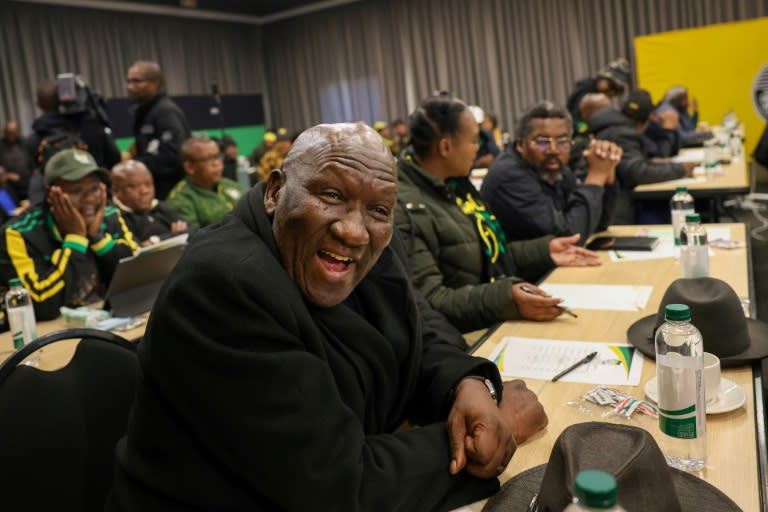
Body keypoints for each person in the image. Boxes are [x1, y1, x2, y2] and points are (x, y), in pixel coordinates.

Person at [107, 122, 548, 511]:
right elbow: (334, 486)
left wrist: (466, 385)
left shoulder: (362, 241)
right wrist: (495, 430)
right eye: (331, 195)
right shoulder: (222, 286)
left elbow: (418, 323)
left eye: (379, 209)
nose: (354, 230)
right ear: (276, 191)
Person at [395, 96, 600, 334]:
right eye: (474, 141)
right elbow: (430, 302)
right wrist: (506, 298)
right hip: (464, 334)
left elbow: (486, 253)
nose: (479, 148)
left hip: (488, 313)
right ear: (445, 147)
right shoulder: (408, 206)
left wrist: (545, 250)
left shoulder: (454, 186)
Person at [0, 149, 138, 320]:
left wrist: (98, 238)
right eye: (76, 190)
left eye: (94, 188)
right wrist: (75, 239)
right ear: (51, 195)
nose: (89, 199)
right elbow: (41, 304)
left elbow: (142, 275)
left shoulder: (109, 215)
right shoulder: (19, 233)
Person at [481, 101, 621, 245]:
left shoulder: (556, 169)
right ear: (521, 145)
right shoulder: (509, 176)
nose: (553, 150)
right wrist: (596, 177)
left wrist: (607, 171)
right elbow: (568, 239)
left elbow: (596, 224)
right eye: (542, 142)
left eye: (562, 141)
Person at [587, 89, 694, 224]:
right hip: (615, 210)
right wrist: (681, 169)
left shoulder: (612, 127)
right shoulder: (622, 133)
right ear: (645, 121)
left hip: (608, 203)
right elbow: (637, 171)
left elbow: (642, 161)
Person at [26, 81, 121, 204]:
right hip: (99, 201)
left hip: (59, 206)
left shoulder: (35, 137)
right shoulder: (93, 126)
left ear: (39, 105)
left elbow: (36, 174)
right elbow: (114, 158)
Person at [127, 60, 191, 199]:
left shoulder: (165, 111)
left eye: (136, 81)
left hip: (170, 193)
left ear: (155, 83)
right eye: (129, 81)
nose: (130, 87)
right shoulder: (146, 111)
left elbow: (173, 158)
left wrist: (136, 164)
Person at [167, 136, 244, 228]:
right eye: (209, 158)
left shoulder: (230, 184)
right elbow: (195, 237)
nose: (217, 163)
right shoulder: (180, 200)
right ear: (190, 167)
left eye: (218, 156)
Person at [111, 159, 188, 245]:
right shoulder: (113, 217)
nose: (144, 191)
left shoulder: (158, 206)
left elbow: (192, 230)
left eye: (148, 184)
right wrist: (175, 236)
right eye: (134, 187)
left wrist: (155, 241)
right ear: (115, 191)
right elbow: (136, 249)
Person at [566, 58, 631, 129]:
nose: (612, 93)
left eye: (616, 90)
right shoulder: (586, 89)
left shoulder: (600, 94)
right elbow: (576, 120)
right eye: (612, 86)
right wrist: (586, 130)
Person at [0, 120, 31, 201]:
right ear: (5, 132)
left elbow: (31, 161)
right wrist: (7, 175)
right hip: (10, 186)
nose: (12, 134)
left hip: (27, 183)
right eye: (9, 132)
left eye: (14, 132)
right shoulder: (1, 146)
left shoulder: (24, 143)